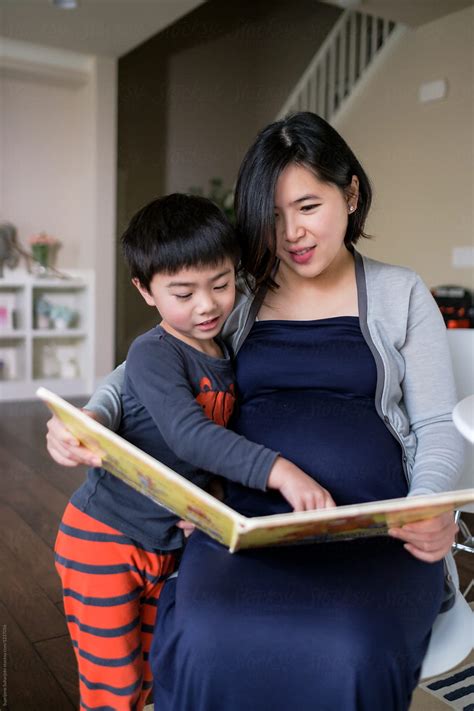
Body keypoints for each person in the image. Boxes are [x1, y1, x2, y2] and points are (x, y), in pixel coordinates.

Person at [47, 113, 462, 710]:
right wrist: (86, 419)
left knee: (349, 645)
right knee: (207, 636)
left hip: (376, 531)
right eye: (271, 215)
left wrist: (427, 506)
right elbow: (149, 362)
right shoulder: (237, 290)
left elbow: (435, 426)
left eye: (307, 206)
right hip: (247, 523)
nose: (290, 233)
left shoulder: (401, 294)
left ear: (350, 193)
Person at [54, 192, 335, 711]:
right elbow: (190, 438)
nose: (206, 305)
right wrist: (279, 471)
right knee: (111, 685)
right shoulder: (153, 354)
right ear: (146, 291)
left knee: (152, 668)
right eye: (183, 293)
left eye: (221, 285)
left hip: (165, 545)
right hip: (104, 539)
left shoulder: (223, 351)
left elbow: (198, 461)